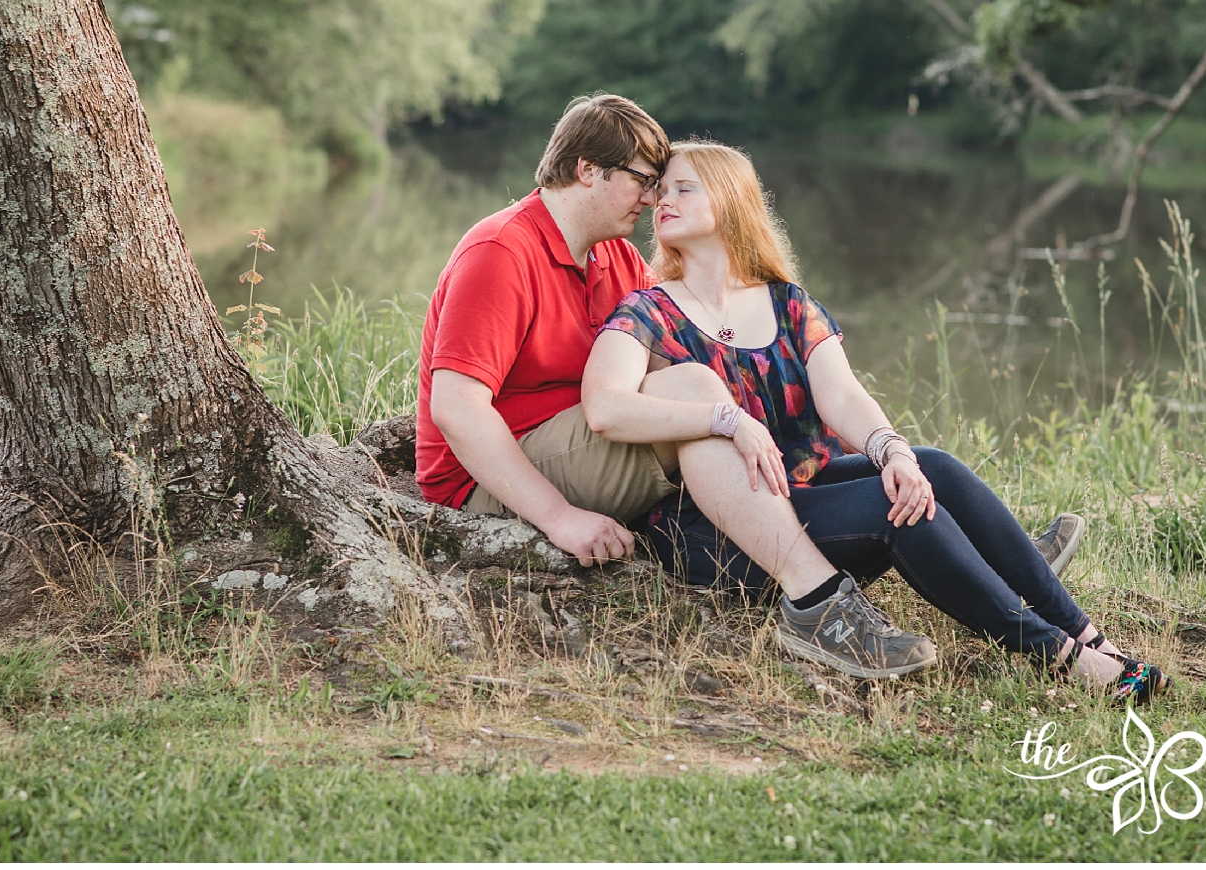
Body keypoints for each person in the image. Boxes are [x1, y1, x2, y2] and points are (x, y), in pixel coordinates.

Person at [415, 94, 1088, 678]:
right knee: (694, 396)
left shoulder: (617, 259)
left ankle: (997, 559)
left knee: (916, 464)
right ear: (586, 170)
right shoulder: (502, 250)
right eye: (644, 181)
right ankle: (815, 600)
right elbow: (458, 409)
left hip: (598, 451)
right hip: (491, 479)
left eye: (667, 185)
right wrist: (559, 518)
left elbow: (685, 338)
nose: (653, 199)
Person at [579, 140, 1167, 704]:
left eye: (683, 188)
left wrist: (894, 452)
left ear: (731, 201)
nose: (662, 202)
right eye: (660, 192)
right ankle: (1061, 658)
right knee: (899, 512)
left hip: (800, 490)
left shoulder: (787, 303)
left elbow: (843, 396)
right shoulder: (648, 310)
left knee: (930, 468)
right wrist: (724, 418)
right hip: (718, 529)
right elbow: (604, 406)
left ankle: (1092, 638)